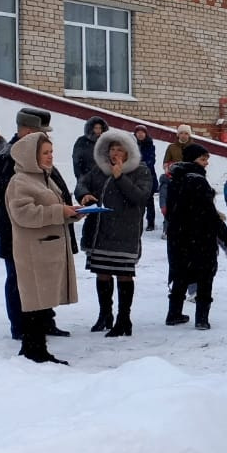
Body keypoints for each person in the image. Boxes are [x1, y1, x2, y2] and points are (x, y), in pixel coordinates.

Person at [0, 107, 72, 340]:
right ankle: (21, 326)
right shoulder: (9, 158)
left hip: (45, 231)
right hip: (19, 234)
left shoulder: (37, 154)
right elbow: (17, 203)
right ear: (25, 131)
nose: (45, 138)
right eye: (39, 132)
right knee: (20, 280)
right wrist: (56, 210)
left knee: (44, 277)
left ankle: (44, 321)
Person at [4, 132, 82, 364]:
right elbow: (23, 213)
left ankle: (35, 348)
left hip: (47, 249)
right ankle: (34, 350)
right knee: (35, 301)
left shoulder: (43, 178)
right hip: (33, 250)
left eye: (51, 152)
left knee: (41, 301)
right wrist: (60, 212)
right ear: (31, 155)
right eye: (45, 153)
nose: (50, 157)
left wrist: (71, 213)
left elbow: (53, 209)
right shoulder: (20, 181)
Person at [75, 128, 152, 337]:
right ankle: (105, 315)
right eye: (112, 149)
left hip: (125, 232)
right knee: (103, 273)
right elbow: (82, 183)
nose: (115, 153)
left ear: (128, 151)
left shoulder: (140, 170)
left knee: (124, 274)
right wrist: (84, 195)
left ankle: (124, 318)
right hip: (101, 232)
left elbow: (141, 197)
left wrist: (120, 178)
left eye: (120, 149)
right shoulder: (99, 170)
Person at [165, 143, 227, 330]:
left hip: (178, 236)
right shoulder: (197, 180)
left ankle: (174, 314)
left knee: (180, 275)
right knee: (204, 277)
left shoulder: (175, 179)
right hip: (201, 236)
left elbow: (169, 210)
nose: (206, 163)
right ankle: (202, 319)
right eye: (203, 159)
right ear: (193, 159)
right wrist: (224, 235)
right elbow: (208, 211)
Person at [159, 125, 194, 234]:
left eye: (186, 133)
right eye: (182, 133)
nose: (184, 135)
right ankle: (168, 229)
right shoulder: (171, 147)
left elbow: (197, 163)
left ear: (189, 135)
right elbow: (165, 162)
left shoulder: (194, 147)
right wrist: (171, 168)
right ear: (178, 134)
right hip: (173, 178)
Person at [133, 126, 158, 231]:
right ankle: (136, 222)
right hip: (135, 176)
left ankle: (151, 223)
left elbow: (151, 160)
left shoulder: (150, 145)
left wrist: (141, 165)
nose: (140, 134)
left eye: (142, 132)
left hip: (149, 175)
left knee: (149, 200)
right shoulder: (132, 145)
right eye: (138, 132)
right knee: (136, 200)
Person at [70, 116, 109, 181]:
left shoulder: (105, 142)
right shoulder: (82, 141)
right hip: (86, 178)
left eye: (100, 128)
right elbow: (76, 161)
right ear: (91, 128)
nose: (98, 130)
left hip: (102, 180)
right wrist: (80, 177)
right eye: (96, 128)